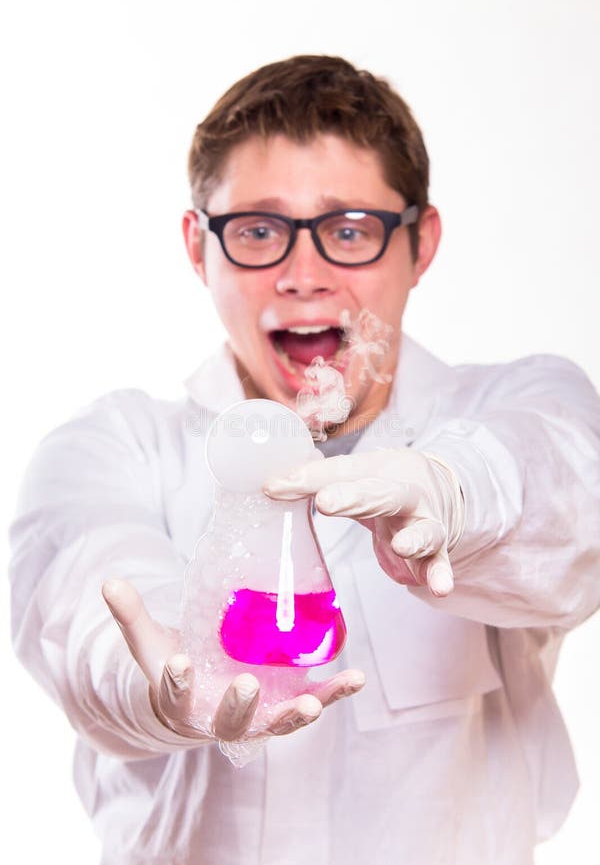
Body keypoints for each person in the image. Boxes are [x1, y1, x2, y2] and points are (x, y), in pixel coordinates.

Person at [9, 54, 600, 865]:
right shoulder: (113, 446)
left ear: (420, 244)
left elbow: (569, 489)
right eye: (258, 230)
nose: (303, 275)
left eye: (349, 230)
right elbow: (82, 598)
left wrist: (455, 491)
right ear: (198, 247)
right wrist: (165, 679)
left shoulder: (511, 404)